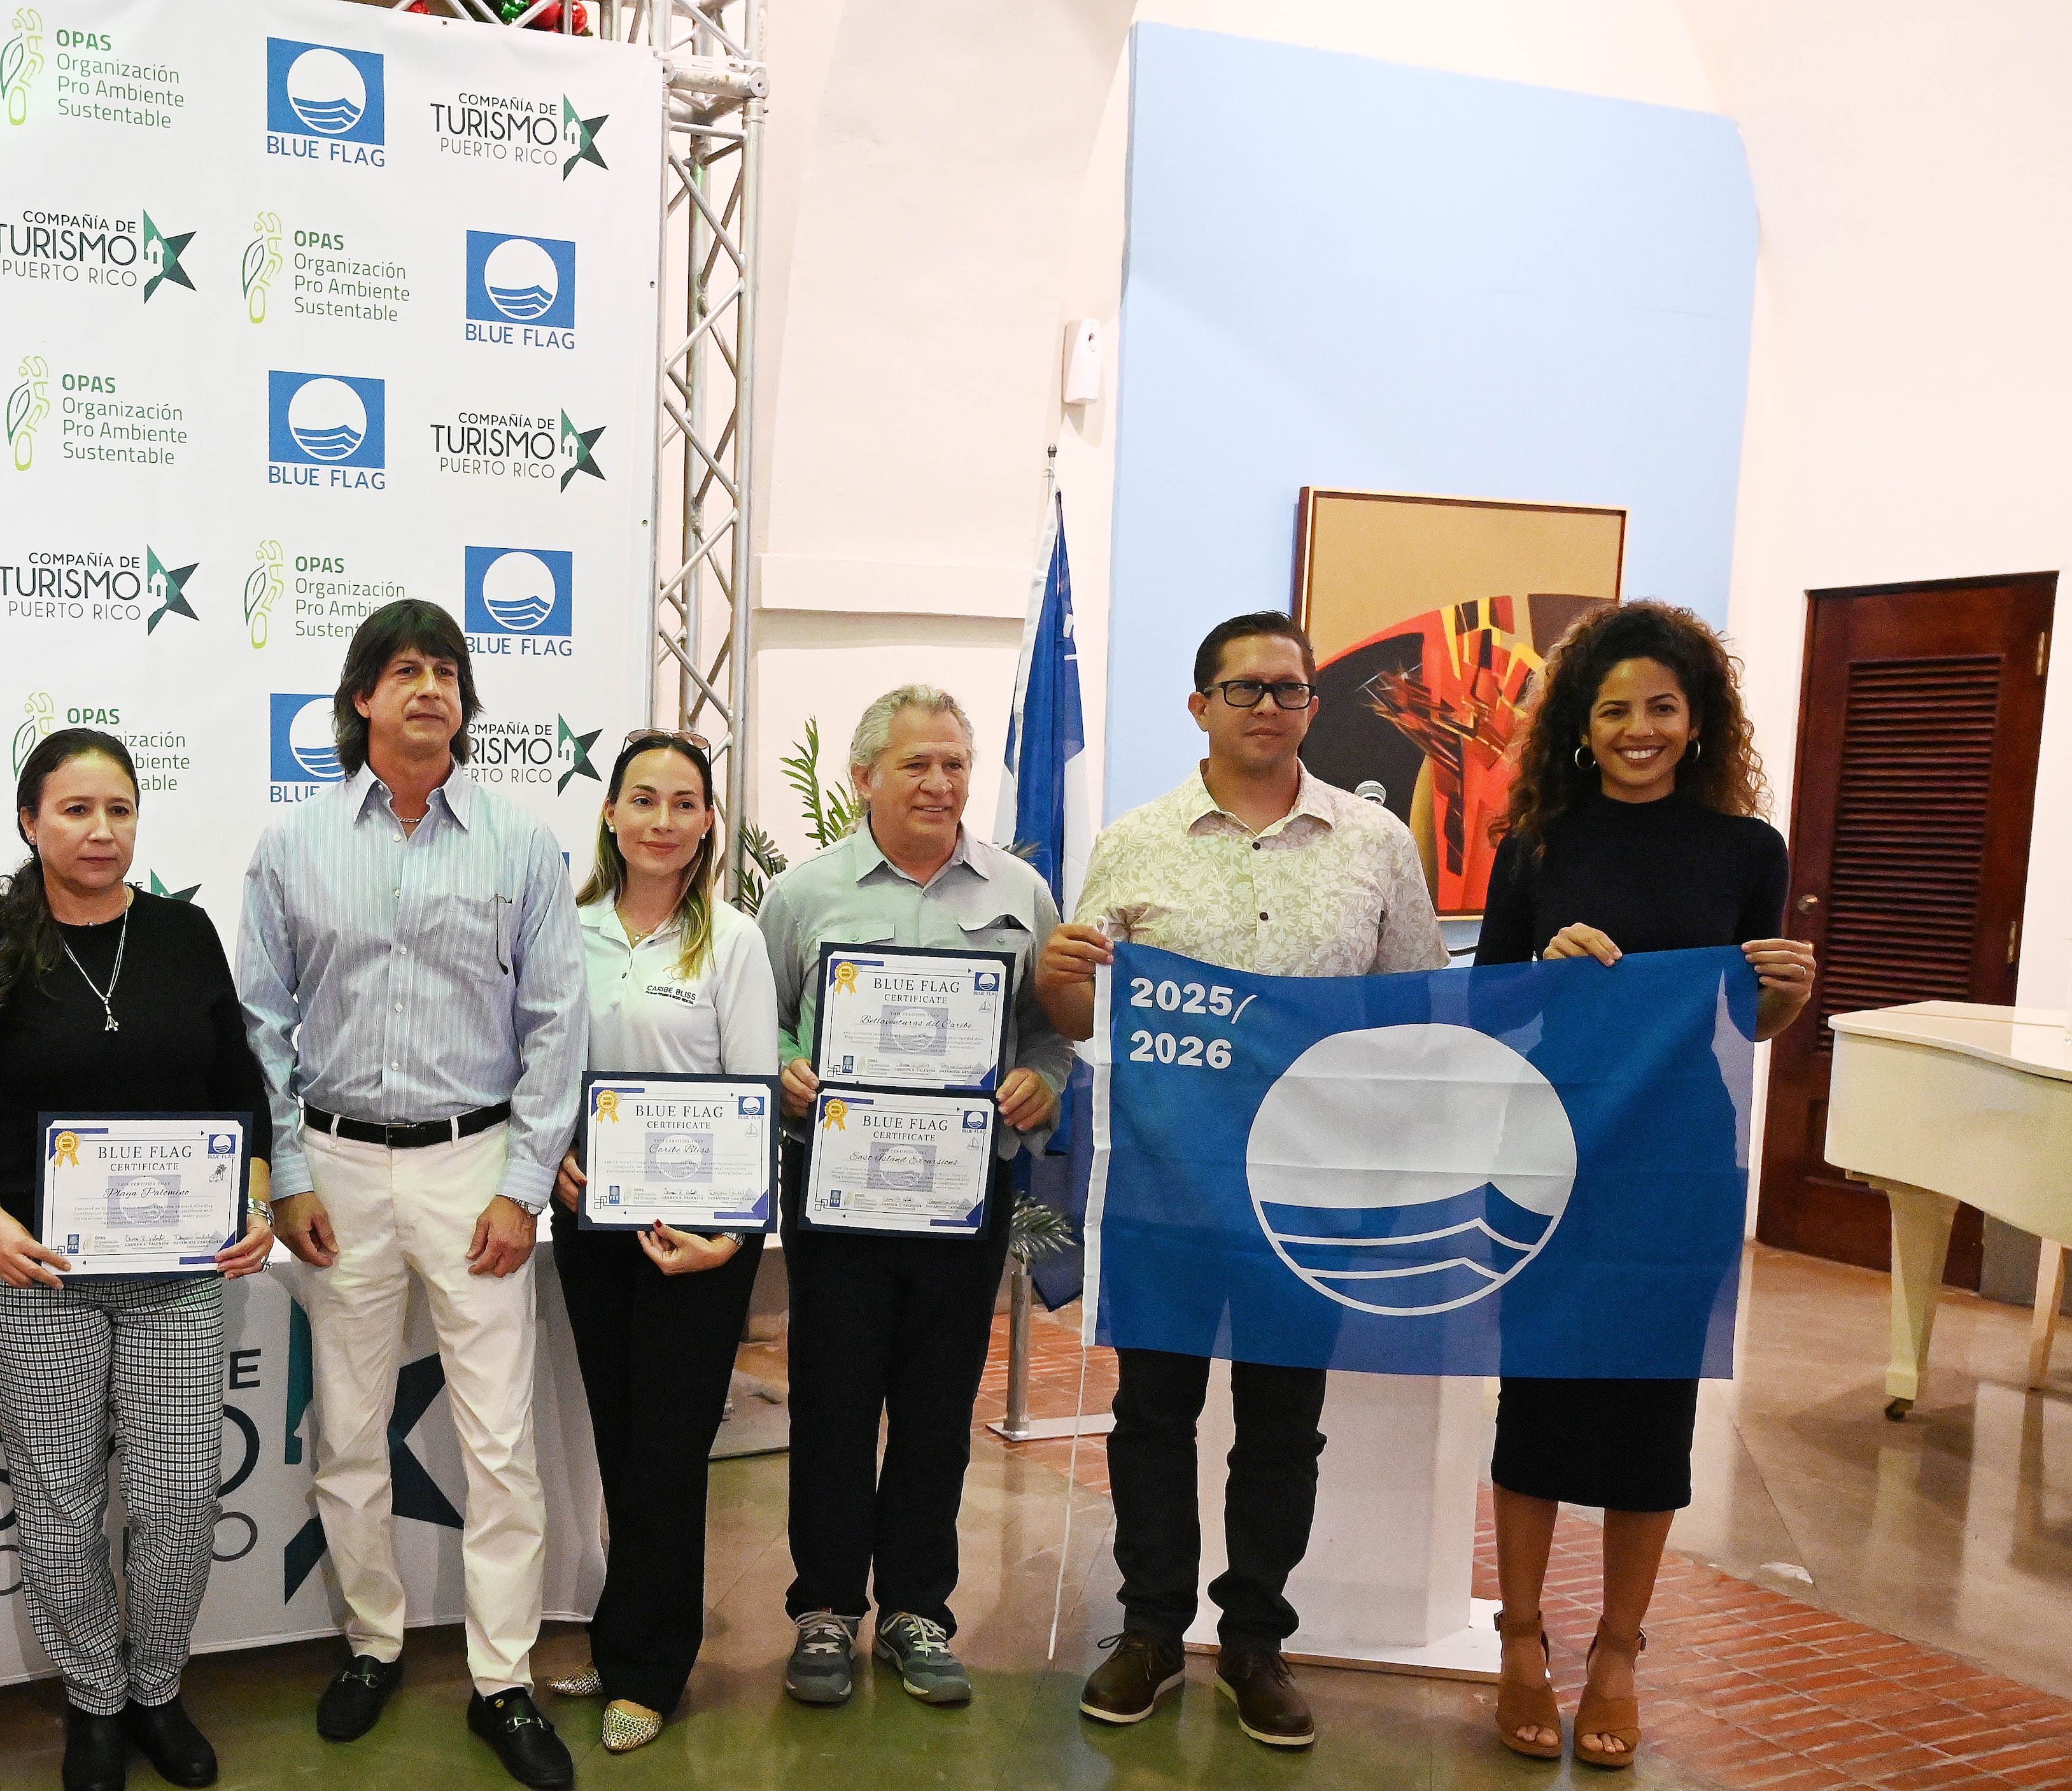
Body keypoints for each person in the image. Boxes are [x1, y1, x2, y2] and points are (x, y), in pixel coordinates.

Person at [1038, 610, 1447, 1750]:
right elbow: (1083, 1024)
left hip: (1310, 1189)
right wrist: (1061, 979)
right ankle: (1151, 1629)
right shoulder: (1135, 842)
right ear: (1200, 705)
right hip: (1168, 1185)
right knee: (1151, 1414)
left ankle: (1257, 1639)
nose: (1269, 706)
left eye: (1290, 688)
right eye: (1245, 688)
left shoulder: (1376, 844)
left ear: (1315, 705)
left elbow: (1413, 1009)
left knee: (1283, 1426)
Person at [238, 599, 588, 1789]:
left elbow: (555, 1027)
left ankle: (503, 1678)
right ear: (360, 701)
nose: (429, 687)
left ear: (464, 702)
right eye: (404, 669)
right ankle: (374, 1641)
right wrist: (285, 1173)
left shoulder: (518, 843)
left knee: (498, 1440)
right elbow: (262, 1022)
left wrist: (524, 1184)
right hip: (335, 1169)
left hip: (473, 1166)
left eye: (447, 669)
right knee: (348, 1425)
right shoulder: (291, 846)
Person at [1475, 602, 1814, 1768]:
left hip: (1678, 1162)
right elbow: (1495, 1013)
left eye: (1661, 707)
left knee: (1652, 1414)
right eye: (1615, 708)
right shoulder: (1536, 846)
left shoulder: (1746, 851)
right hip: (1548, 1155)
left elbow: (1748, 1019)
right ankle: (1522, 1640)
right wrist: (1547, 969)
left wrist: (1791, 992)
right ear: (1581, 723)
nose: (1638, 729)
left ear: (1698, 718)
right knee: (1541, 1400)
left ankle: (1618, 1652)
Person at [0, 727, 279, 1791]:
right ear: (30, 821)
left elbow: (238, 1089)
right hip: (36, 1272)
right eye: (76, 809)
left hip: (175, 1274)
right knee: (62, 1494)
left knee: (176, 1495)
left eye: (119, 809)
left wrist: (254, 1193)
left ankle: (157, 1685)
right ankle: (93, 1702)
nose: (101, 830)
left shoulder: (183, 934)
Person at [755, 684, 1075, 1711]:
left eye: (955, 764)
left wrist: (1043, 1084)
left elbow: (1047, 1030)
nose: (941, 784)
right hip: (839, 1192)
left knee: (938, 1410)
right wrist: (785, 1067)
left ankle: (917, 1611)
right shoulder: (806, 895)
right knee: (834, 1404)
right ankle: (824, 1610)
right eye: (917, 765)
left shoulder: (1022, 893)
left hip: (962, 1195)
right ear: (864, 779)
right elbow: (753, 1022)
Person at [532, 731, 779, 1753]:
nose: (663, 820)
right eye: (644, 799)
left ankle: (655, 1669)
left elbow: (758, 1093)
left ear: (709, 822)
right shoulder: (567, 929)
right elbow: (537, 1069)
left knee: (672, 1454)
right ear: (610, 814)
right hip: (594, 1224)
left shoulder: (731, 940)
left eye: (685, 803)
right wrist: (548, 1161)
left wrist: (729, 1238)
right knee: (621, 1440)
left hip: (697, 1241)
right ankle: (621, 1630)